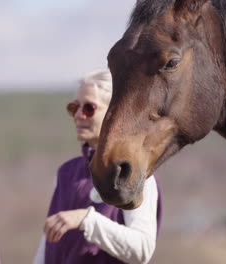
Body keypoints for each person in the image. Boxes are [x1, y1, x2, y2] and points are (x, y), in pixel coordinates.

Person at [33, 69, 161, 264]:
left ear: (114, 112)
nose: (78, 115)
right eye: (73, 107)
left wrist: (87, 220)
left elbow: (142, 249)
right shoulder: (65, 173)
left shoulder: (134, 173)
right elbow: (47, 246)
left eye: (88, 108)